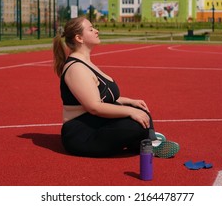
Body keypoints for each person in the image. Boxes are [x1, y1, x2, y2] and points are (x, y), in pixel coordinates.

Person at [52, 17, 179, 158]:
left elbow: (102, 97)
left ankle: (147, 139)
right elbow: (94, 106)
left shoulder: (86, 63)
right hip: (82, 133)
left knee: (140, 110)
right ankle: (146, 140)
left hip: (95, 122)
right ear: (79, 38)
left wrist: (129, 102)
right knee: (134, 124)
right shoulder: (76, 68)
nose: (96, 31)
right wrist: (129, 111)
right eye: (91, 29)